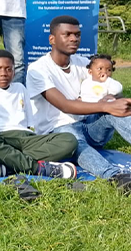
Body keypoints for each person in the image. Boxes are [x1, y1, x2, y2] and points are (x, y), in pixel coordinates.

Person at [26, 15, 131, 188]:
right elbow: (65, 105)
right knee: (73, 139)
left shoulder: (84, 63)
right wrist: (105, 105)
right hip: (58, 133)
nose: (74, 39)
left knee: (114, 111)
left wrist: (111, 98)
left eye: (77, 34)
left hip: (89, 126)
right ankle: (116, 177)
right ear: (52, 39)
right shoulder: (37, 69)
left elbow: (110, 88)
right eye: (67, 34)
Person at [0, 49, 78, 178]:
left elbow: (28, 125)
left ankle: (11, 165)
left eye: (8, 69)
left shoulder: (20, 88)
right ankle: (39, 169)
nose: (3, 73)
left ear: (14, 72)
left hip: (24, 139)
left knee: (70, 140)